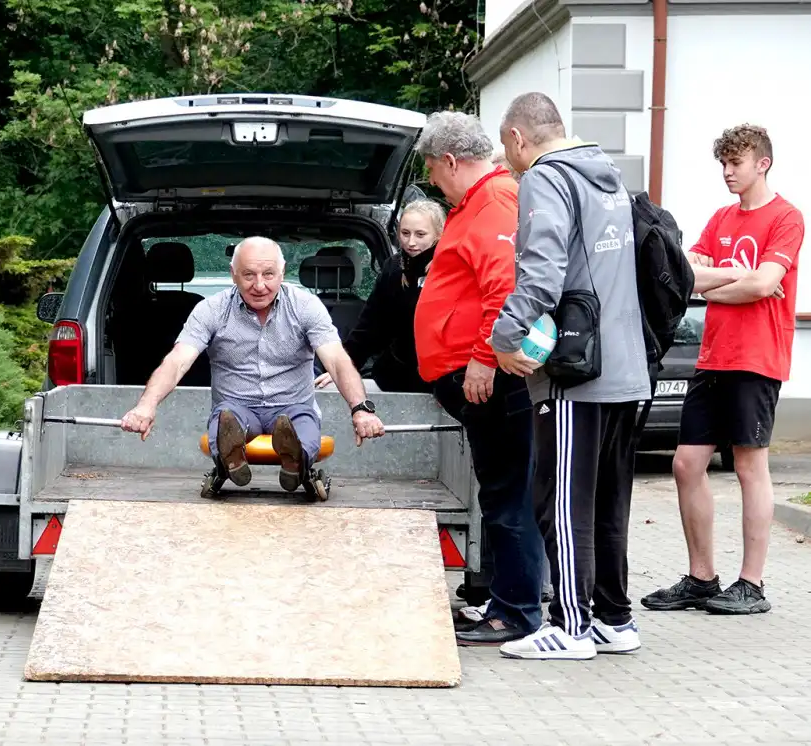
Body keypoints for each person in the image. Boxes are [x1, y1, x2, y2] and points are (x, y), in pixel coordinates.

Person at [491, 92, 651, 660]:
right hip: (627, 365)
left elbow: (541, 273)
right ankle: (614, 618)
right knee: (608, 500)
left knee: (559, 499)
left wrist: (502, 341)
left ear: (516, 138)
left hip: (575, 371)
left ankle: (571, 626)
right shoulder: (608, 175)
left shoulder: (546, 178)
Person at [642, 124, 803, 615]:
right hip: (713, 356)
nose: (729, 173)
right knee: (685, 463)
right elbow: (687, 280)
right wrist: (739, 278)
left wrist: (725, 284)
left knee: (750, 465)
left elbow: (764, 286)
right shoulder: (720, 219)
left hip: (757, 358)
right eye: (724, 165)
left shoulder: (786, 218)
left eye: (737, 163)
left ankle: (751, 584)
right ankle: (702, 578)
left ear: (763, 163)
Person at [410, 111, 545, 647]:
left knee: (507, 495)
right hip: (478, 377)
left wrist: (485, 357)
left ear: (450, 160)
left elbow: (504, 285)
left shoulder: (492, 202)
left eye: (434, 174)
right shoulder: (476, 204)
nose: (435, 185)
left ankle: (517, 611)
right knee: (501, 492)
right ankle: (509, 598)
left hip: (493, 379)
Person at [120, 236, 387, 493]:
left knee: (300, 425)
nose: (259, 285)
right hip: (236, 407)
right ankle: (231, 457)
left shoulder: (306, 306)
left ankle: (295, 462)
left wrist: (360, 409)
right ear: (233, 273)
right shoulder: (210, 310)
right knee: (226, 421)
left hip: (293, 407)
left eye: (268, 274)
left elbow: (338, 361)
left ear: (282, 272)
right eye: (248, 275)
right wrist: (146, 406)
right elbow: (177, 362)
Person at [313, 199, 447, 394]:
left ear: (438, 234)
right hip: (397, 377)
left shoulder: (452, 269)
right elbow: (371, 325)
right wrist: (344, 368)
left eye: (420, 234)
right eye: (405, 233)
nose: (411, 242)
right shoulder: (393, 267)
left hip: (443, 379)